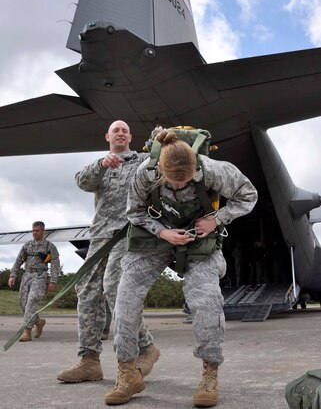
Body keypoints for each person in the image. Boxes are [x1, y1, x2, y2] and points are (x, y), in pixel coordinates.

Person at [105, 130, 258, 407]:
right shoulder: (145, 173)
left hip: (201, 235)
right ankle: (127, 372)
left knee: (206, 301)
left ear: (196, 168)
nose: (179, 185)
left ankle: (210, 373)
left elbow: (248, 195)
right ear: (160, 169)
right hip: (157, 235)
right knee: (125, 297)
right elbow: (135, 212)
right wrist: (163, 233)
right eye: (173, 180)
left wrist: (217, 219)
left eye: (185, 180)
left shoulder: (214, 171)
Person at [57, 120, 159, 383]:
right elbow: (81, 181)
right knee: (87, 291)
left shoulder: (141, 160)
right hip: (100, 235)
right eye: (116, 130)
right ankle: (89, 360)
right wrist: (102, 165)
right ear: (107, 137)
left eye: (125, 130)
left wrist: (161, 140)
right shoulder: (100, 166)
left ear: (130, 136)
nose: (121, 133)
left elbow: (160, 161)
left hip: (128, 232)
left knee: (114, 287)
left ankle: (146, 348)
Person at [8, 220, 60, 342]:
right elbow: (18, 261)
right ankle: (38, 321)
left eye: (37, 230)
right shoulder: (27, 245)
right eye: (33, 230)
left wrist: (53, 280)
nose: (34, 233)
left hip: (39, 276)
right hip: (26, 275)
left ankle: (27, 331)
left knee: (31, 302)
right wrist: (12, 275)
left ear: (43, 231)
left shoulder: (49, 246)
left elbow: (55, 264)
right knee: (23, 303)